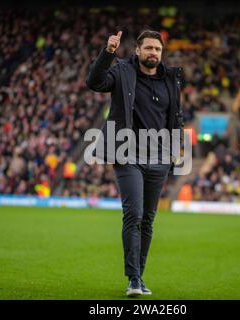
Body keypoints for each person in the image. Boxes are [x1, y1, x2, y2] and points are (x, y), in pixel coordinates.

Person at [86, 30, 185, 296]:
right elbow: (94, 82)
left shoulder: (170, 80)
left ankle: (139, 277)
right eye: (149, 48)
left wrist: (178, 149)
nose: (154, 53)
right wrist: (108, 52)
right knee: (135, 214)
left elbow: (176, 116)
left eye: (158, 49)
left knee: (148, 221)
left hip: (160, 158)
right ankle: (133, 279)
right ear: (138, 50)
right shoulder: (122, 72)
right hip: (128, 155)